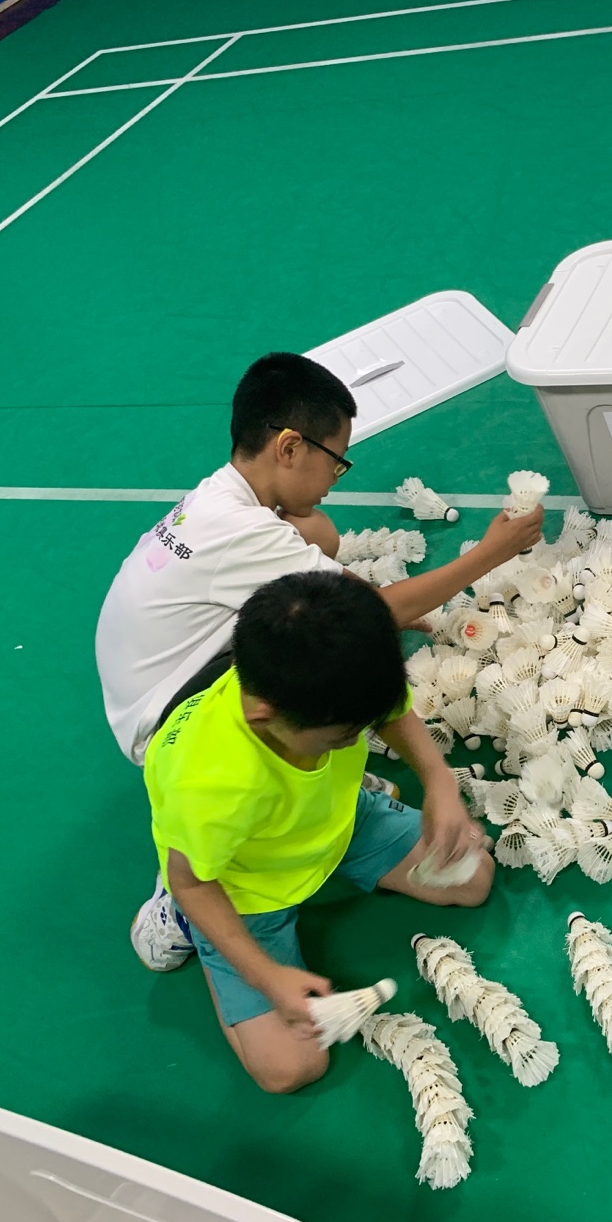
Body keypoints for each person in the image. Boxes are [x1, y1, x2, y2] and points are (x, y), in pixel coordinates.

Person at [96, 352, 539, 967]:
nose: (337, 475)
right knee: (333, 651)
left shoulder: (223, 498)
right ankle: (178, 903)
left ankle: (319, 797)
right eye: (336, 459)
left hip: (156, 677)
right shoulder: (244, 534)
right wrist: (491, 553)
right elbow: (371, 614)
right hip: (166, 718)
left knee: (319, 538)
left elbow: (335, 574)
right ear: (288, 447)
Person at [147, 571, 492, 1093]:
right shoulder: (213, 786)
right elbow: (193, 883)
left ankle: (342, 822)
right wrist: (266, 976)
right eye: (343, 737)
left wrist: (438, 780)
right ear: (265, 717)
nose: (355, 740)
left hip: (334, 820)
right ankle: (178, 920)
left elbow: (388, 708)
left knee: (473, 876)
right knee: (290, 1068)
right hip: (242, 889)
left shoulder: (338, 678)